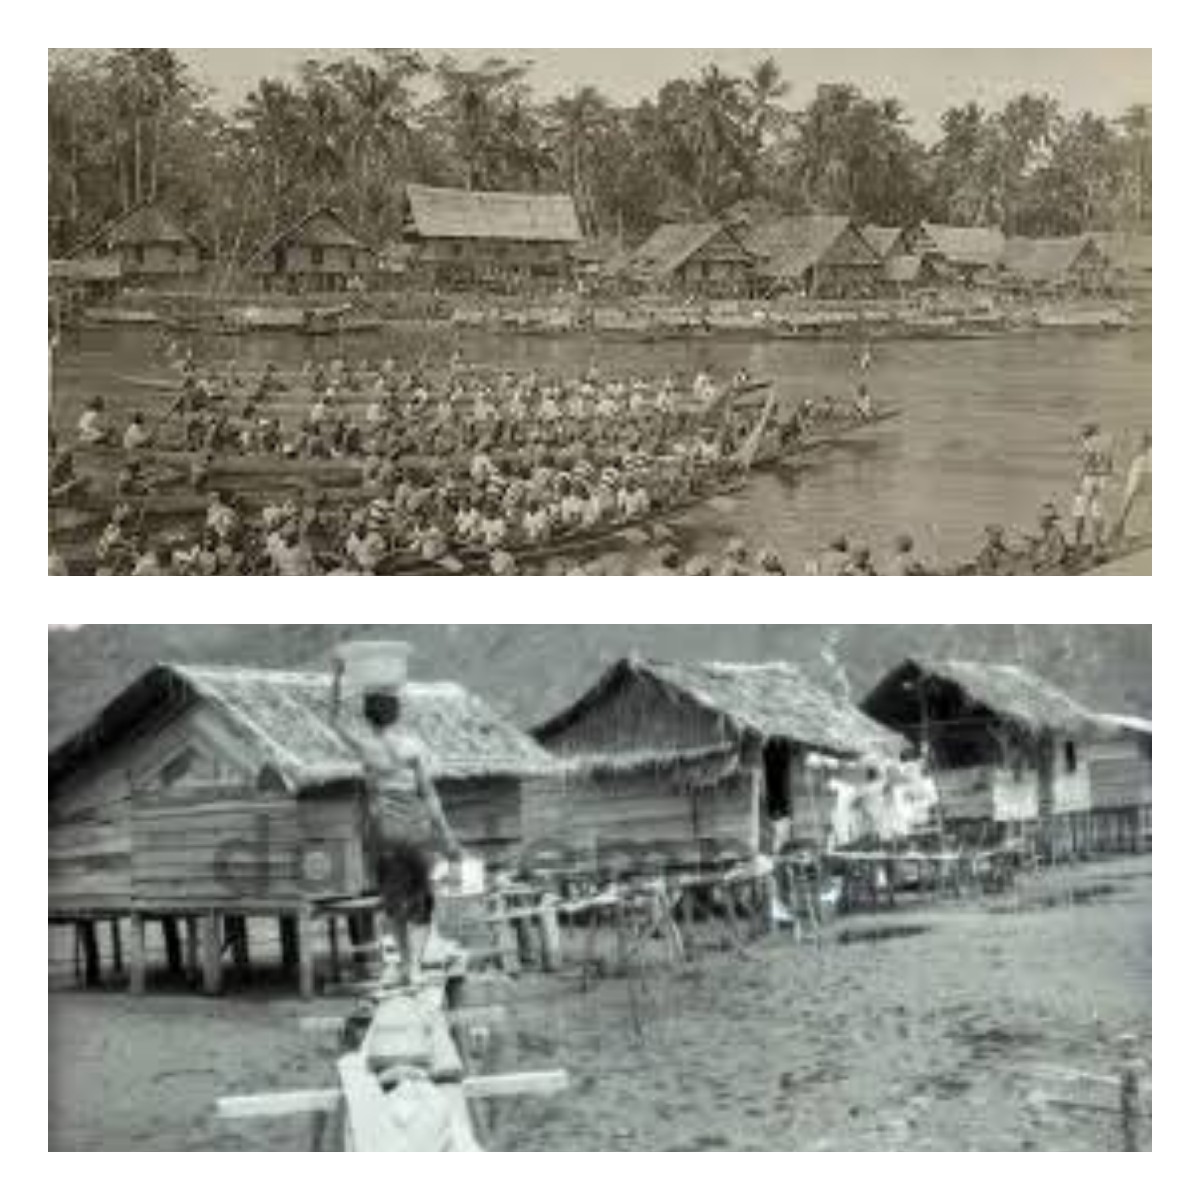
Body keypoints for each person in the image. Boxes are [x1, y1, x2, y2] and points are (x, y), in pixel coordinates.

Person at [1073, 421, 1114, 548]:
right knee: (1097, 512)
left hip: (1089, 478)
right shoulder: (1106, 444)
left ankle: (1078, 543)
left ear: (1087, 433)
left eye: (1083, 433)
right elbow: (1109, 466)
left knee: (1079, 511)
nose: (1082, 436)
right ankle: (1097, 542)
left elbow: (1086, 463)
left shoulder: (1088, 443)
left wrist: (1078, 483)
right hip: (1103, 478)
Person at [1112, 431, 1151, 542]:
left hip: (1141, 472)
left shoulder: (1140, 458)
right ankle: (1120, 527)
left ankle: (1119, 528)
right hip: (1143, 473)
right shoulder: (1142, 457)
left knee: (1128, 500)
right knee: (1130, 501)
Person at [1030, 502, 1069, 572]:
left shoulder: (1055, 532)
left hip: (1053, 567)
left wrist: (1047, 565)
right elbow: (1041, 543)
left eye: (1042, 519)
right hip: (1046, 563)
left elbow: (1060, 553)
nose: (1040, 522)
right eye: (1040, 519)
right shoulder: (1046, 531)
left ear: (1049, 520)